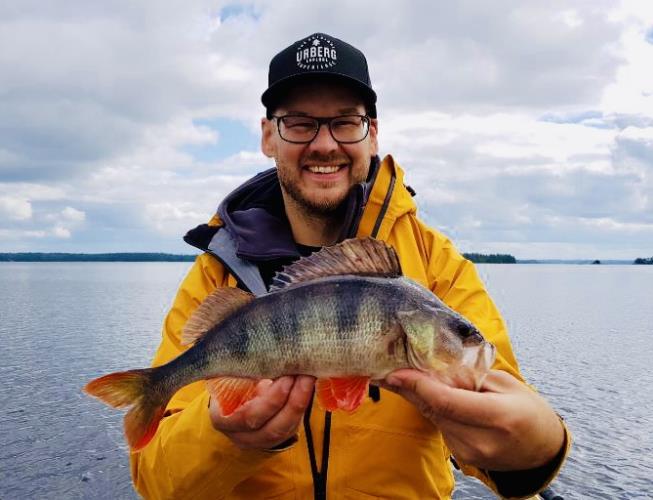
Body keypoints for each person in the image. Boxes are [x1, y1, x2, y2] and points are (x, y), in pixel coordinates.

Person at [130, 33, 570, 499]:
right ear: (267, 136)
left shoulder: (435, 265)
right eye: (299, 124)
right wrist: (224, 437)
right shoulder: (215, 272)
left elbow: (502, 436)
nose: (324, 144)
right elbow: (156, 485)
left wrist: (538, 444)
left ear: (372, 133)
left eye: (345, 122)